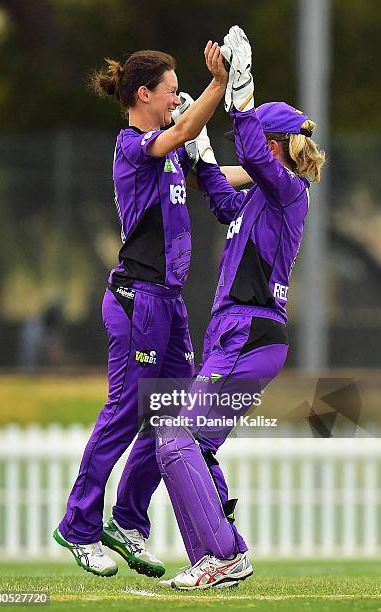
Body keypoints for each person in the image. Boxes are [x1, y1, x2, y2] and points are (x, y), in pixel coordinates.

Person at [53, 41, 249, 578]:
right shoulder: (132, 146)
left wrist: (273, 171)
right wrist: (216, 85)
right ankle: (79, 527)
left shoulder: (171, 150)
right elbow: (183, 131)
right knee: (126, 410)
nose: (176, 99)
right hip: (137, 299)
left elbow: (216, 172)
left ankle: (129, 523)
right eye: (170, 91)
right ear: (145, 94)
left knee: (172, 419)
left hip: (169, 304)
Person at [155, 26, 325, 590]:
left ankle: (225, 555)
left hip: (248, 334)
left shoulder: (288, 191)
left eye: (258, 140)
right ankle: (218, 555)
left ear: (274, 149)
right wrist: (198, 138)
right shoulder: (262, 197)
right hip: (240, 334)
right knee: (181, 442)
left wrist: (240, 91)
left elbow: (250, 149)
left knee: (179, 439)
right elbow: (215, 191)